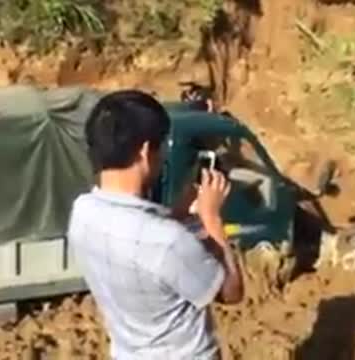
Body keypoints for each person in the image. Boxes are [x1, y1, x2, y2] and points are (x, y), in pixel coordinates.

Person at [68, 90, 244, 359]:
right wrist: (212, 218)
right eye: (161, 147)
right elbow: (231, 292)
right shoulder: (168, 241)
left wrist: (180, 211)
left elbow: (142, 242)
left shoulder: (82, 213)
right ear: (145, 151)